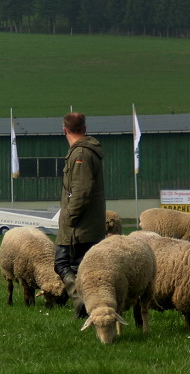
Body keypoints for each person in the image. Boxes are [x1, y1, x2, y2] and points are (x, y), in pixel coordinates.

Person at [53, 112, 107, 280]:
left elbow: (81, 191)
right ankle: (84, 302)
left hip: (79, 228)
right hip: (88, 225)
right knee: (81, 268)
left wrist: (69, 218)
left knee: (63, 264)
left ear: (64, 130)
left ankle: (82, 304)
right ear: (85, 128)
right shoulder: (86, 150)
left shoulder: (81, 154)